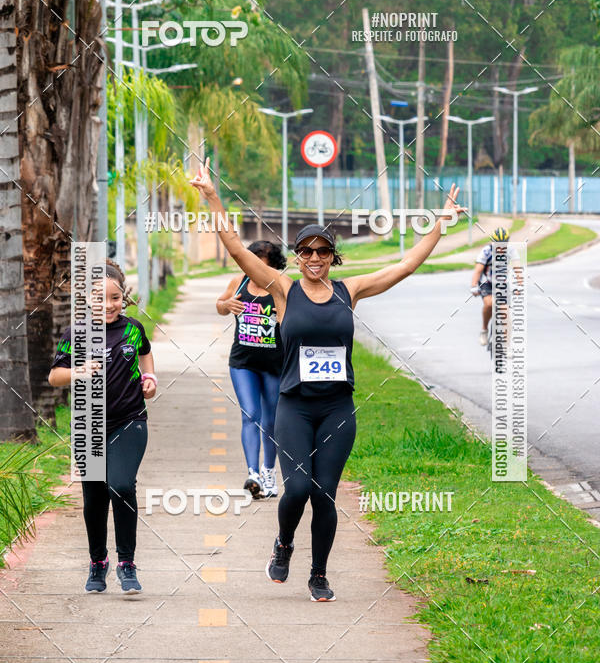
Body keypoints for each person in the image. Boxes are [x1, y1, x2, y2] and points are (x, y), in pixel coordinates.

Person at [191, 159, 465, 602]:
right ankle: (283, 544)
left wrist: (440, 225)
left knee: (324, 494)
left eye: (322, 252)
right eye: (306, 251)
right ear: (297, 256)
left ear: (332, 256)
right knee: (296, 487)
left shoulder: (349, 290)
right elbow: (238, 250)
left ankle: (318, 574)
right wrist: (212, 197)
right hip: (295, 405)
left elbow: (407, 265)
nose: (314, 258)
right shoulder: (282, 288)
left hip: (337, 407)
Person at [48, 260, 156, 595]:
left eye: (114, 297)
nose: (107, 304)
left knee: (121, 486)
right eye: (99, 298)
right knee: (94, 495)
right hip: (89, 423)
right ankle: (98, 562)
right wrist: (79, 371)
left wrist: (150, 378)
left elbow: (145, 353)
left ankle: (127, 563)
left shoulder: (133, 328)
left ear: (123, 297)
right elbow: (54, 377)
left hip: (130, 419)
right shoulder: (76, 334)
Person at [216, 240, 286, 498]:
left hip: (274, 365)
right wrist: (227, 306)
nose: (253, 271)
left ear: (273, 267)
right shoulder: (239, 282)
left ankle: (269, 472)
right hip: (243, 363)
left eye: (260, 266)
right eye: (250, 265)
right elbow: (220, 306)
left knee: (271, 422)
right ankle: (252, 473)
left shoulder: (281, 287)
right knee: (250, 415)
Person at [470, 227, 518, 345]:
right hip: (486, 282)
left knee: (506, 314)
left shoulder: (511, 251)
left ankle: (507, 346)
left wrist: (519, 285)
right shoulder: (486, 251)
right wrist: (473, 286)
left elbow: (518, 269)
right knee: (489, 303)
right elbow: (478, 270)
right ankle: (484, 330)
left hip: (502, 284)